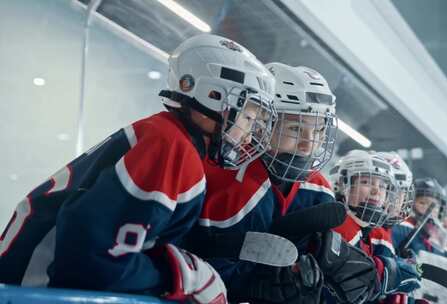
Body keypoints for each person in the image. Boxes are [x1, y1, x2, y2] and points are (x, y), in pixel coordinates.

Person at [0, 34, 276, 303]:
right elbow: (94, 263)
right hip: (30, 289)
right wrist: (185, 277)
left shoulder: (168, 137)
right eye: (249, 115)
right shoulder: (170, 147)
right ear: (214, 96)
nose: (250, 135)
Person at [185, 62, 339, 303]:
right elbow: (206, 262)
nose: (308, 144)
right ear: (263, 124)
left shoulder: (319, 188)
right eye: (296, 128)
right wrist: (256, 284)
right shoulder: (231, 176)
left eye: (319, 131)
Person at [330, 150, 422, 302]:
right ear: (341, 184)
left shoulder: (367, 229)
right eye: (366, 182)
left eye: (384, 187)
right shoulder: (341, 223)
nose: (376, 191)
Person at [392, 177, 447, 256]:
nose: (429, 209)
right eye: (422, 203)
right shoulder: (401, 227)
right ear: (410, 202)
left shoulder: (438, 240)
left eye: (435, 206)